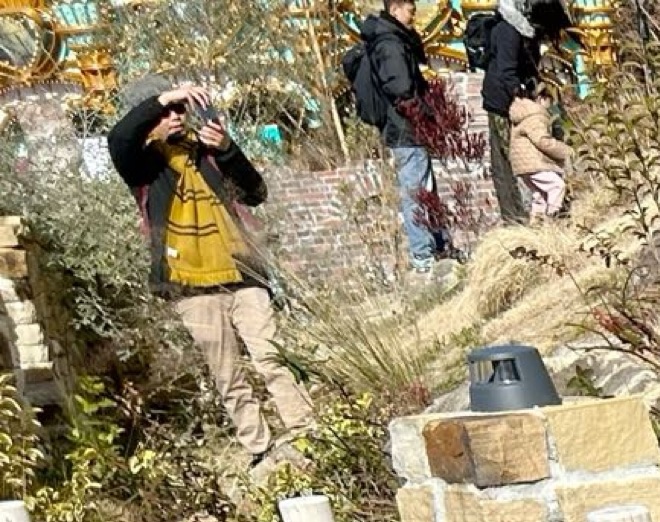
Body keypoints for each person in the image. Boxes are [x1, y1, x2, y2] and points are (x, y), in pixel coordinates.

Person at [103, 79, 313, 482]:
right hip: (190, 285)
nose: (174, 118)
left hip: (243, 273)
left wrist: (228, 150)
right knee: (227, 373)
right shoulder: (144, 166)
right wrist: (163, 99)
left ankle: (306, 431)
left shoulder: (208, 151)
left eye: (179, 111)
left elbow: (255, 192)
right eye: (165, 113)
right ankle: (259, 447)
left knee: (273, 358)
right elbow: (119, 138)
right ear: (149, 119)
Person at [350, 0, 450, 275]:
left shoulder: (387, 40)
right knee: (415, 191)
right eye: (410, 11)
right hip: (405, 127)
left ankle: (439, 245)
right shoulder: (390, 44)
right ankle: (423, 254)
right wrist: (422, 113)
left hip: (405, 127)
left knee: (425, 189)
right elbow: (401, 87)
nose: (414, 17)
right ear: (395, 10)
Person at [478, 0, 569, 235]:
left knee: (527, 162)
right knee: (512, 163)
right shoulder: (509, 30)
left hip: (514, 102)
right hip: (504, 104)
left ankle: (533, 216)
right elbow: (508, 72)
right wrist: (525, 99)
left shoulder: (525, 31)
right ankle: (515, 219)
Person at [505, 89, 568, 220]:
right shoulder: (535, 115)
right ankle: (552, 220)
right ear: (541, 98)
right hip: (535, 163)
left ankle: (536, 227)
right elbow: (542, 141)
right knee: (557, 186)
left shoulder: (523, 113)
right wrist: (566, 151)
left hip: (522, 165)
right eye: (550, 101)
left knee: (540, 196)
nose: (550, 106)